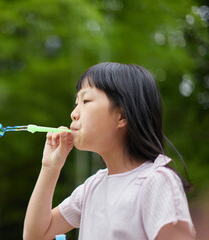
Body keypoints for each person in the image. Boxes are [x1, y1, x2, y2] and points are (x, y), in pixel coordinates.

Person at [23, 62, 196, 240]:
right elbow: (36, 234)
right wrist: (50, 168)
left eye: (86, 101)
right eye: (76, 103)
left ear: (121, 116)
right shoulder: (91, 188)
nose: (74, 114)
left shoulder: (156, 182)